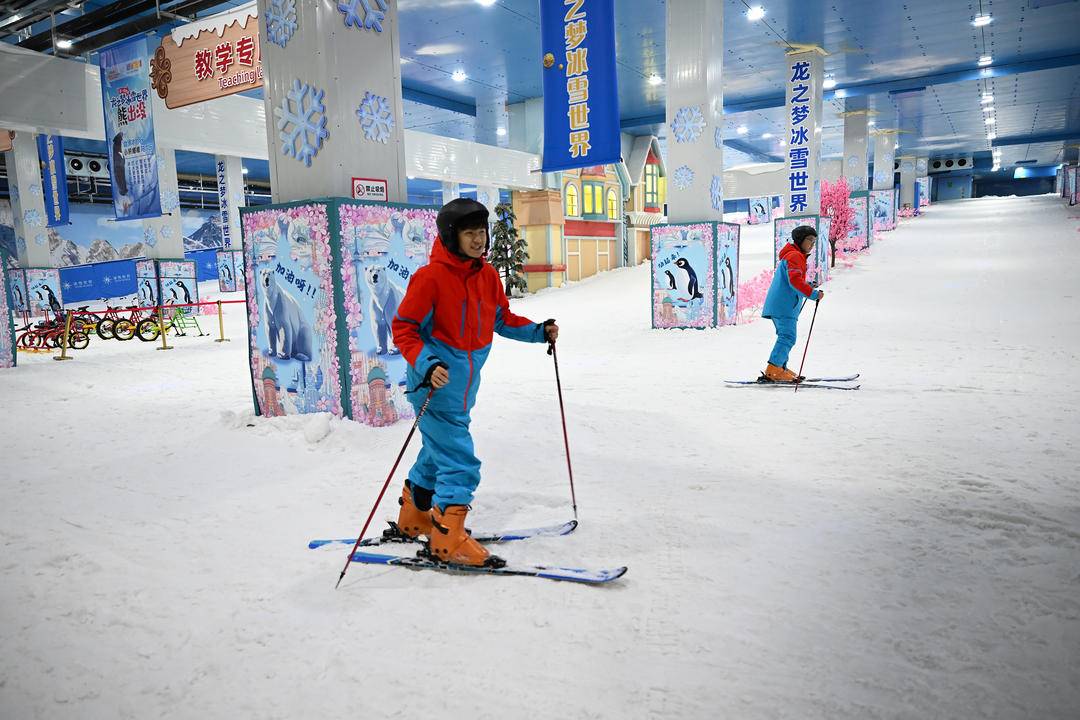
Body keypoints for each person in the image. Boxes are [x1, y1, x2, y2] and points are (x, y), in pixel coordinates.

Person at [390, 198, 558, 568]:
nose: (479, 240)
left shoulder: (487, 276)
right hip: (432, 387)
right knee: (459, 461)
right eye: (470, 233)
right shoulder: (430, 278)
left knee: (438, 453)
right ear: (452, 236)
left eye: (482, 232)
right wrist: (427, 362)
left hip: (463, 389)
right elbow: (404, 328)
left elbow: (501, 319)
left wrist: (537, 332)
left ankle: (415, 515)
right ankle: (447, 538)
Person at [761, 225, 824, 383]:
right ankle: (774, 369)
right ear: (800, 240)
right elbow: (795, 282)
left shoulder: (794, 256)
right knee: (788, 337)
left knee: (786, 336)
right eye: (809, 240)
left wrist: (808, 285)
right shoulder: (795, 256)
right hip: (784, 305)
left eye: (814, 241)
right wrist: (813, 294)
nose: (812, 244)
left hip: (784, 304)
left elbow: (794, 279)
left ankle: (780, 367)